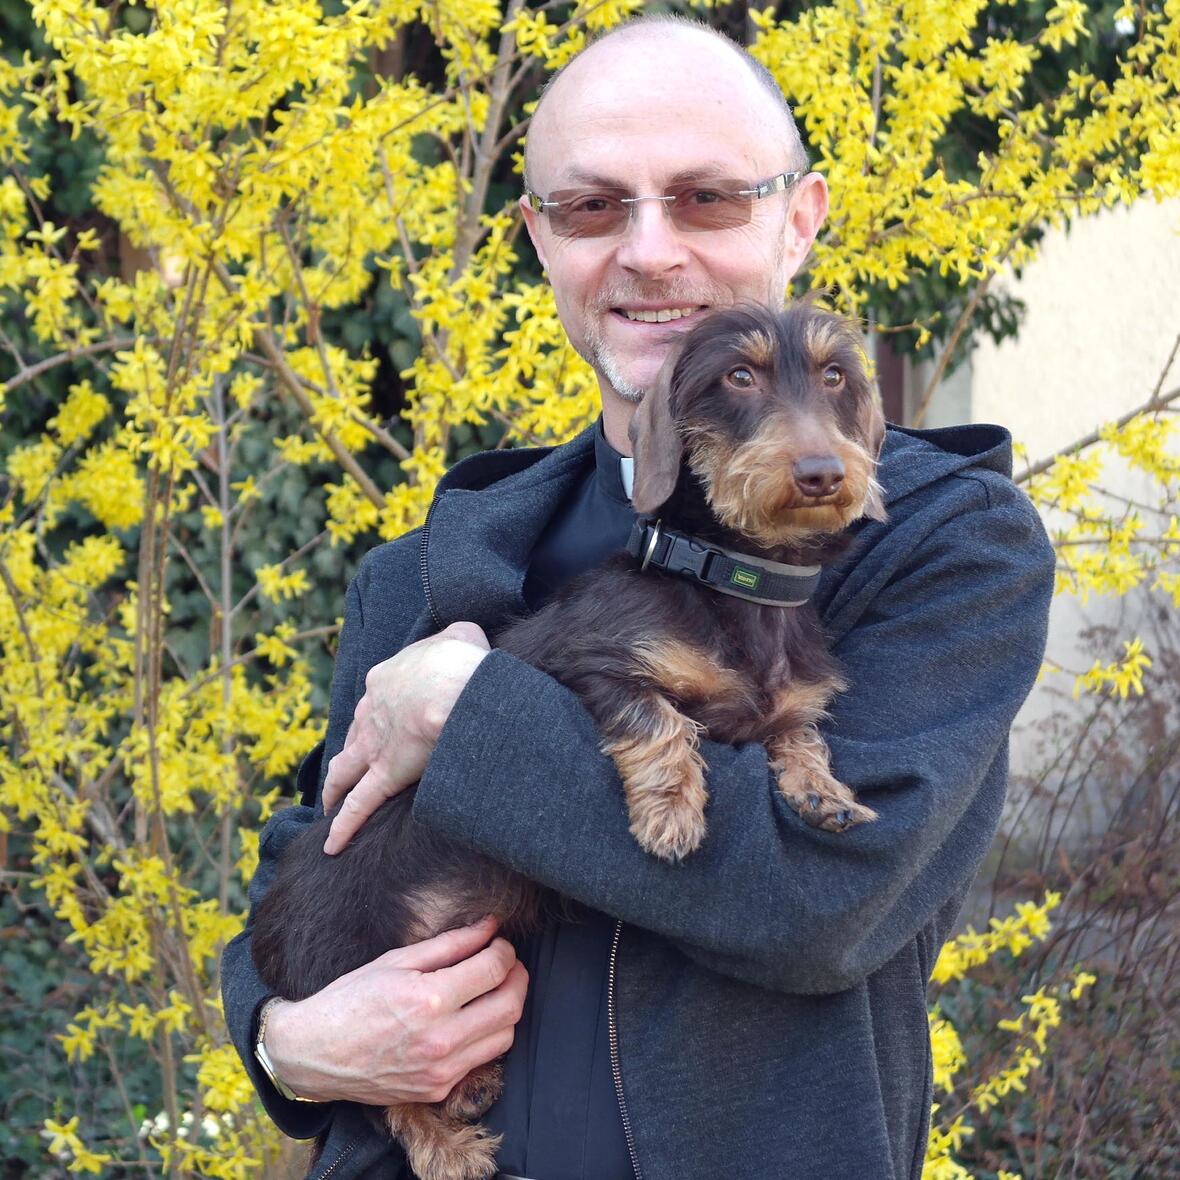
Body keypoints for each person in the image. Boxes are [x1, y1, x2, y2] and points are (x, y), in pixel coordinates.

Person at [221, 15, 1056, 1180]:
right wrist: (287, 1045)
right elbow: (305, 862)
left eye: (708, 198)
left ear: (800, 216)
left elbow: (820, 903)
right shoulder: (417, 571)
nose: (647, 252)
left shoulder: (941, 544)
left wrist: (467, 708)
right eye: (592, 206)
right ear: (539, 237)